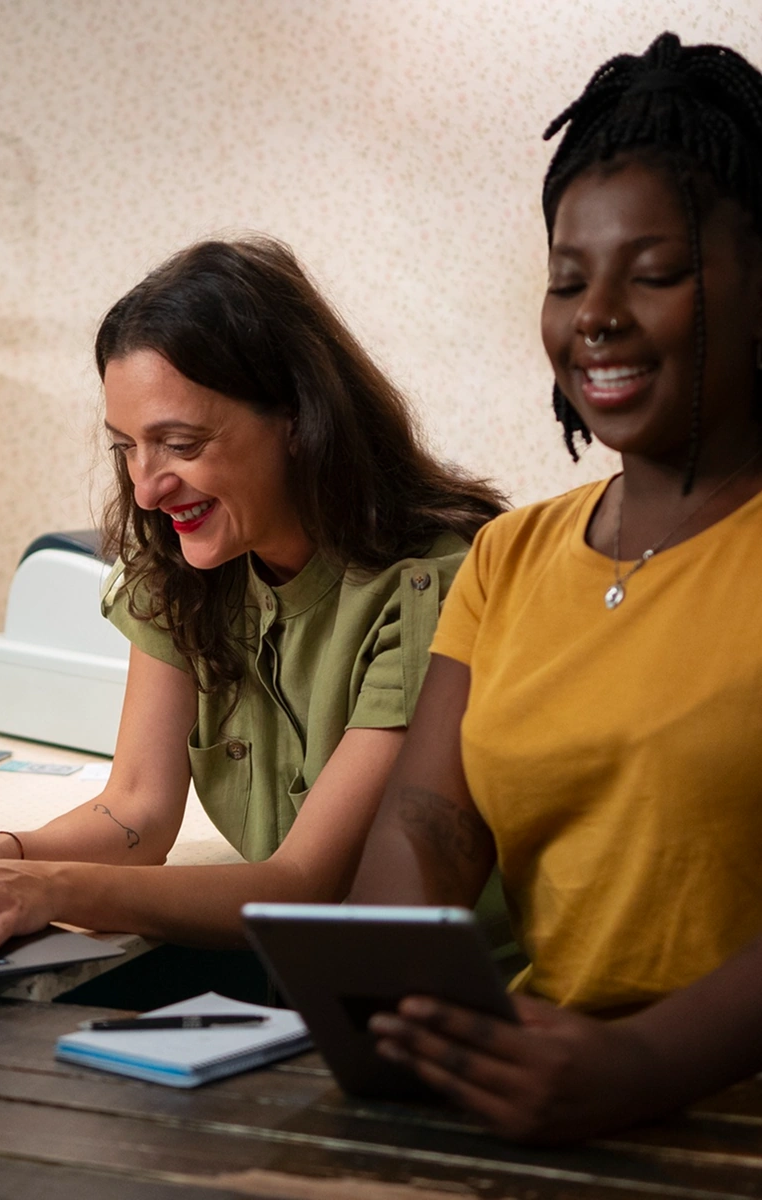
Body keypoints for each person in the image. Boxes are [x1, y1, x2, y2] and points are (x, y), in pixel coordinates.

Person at [0, 236, 504, 958]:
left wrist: (47, 887)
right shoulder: (191, 570)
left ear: (297, 417)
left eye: (181, 444)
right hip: (311, 985)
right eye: (126, 447)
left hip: (446, 1007)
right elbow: (135, 810)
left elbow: (305, 884)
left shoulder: (433, 588)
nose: (145, 486)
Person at [350, 32, 762, 1143]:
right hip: (549, 1122)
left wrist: (642, 1064)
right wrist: (390, 1022)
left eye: (657, 273)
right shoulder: (510, 557)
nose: (597, 316)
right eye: (567, 280)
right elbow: (426, 832)